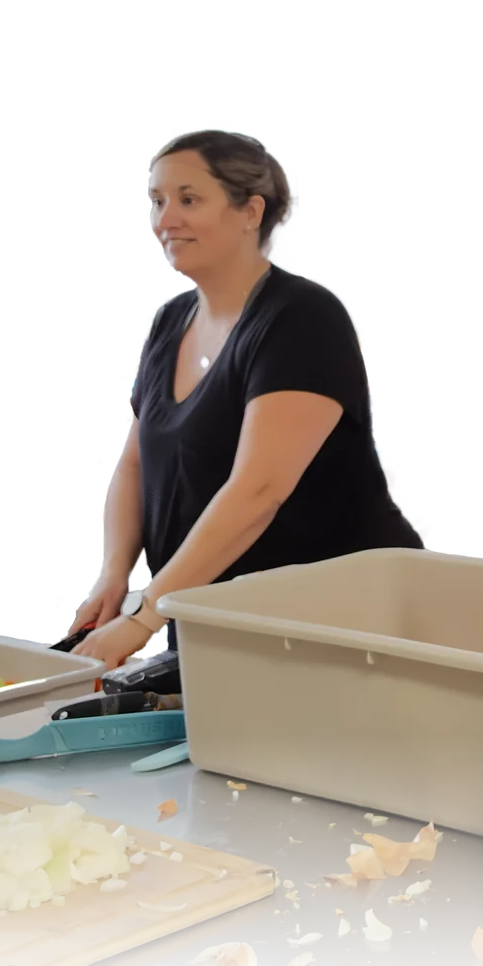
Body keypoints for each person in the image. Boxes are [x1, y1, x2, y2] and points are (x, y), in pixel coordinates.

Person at [68, 131, 422, 663]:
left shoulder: (302, 317)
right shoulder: (169, 322)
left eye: (189, 200)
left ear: (250, 211)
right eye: (158, 202)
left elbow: (259, 490)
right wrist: (114, 577)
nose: (165, 220)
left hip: (338, 624)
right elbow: (137, 465)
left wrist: (146, 616)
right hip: (223, 620)